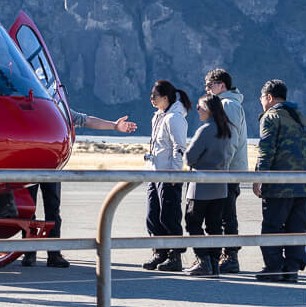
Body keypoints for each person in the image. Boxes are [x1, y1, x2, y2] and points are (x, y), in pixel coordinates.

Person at [20, 110, 138, 268]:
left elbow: (87, 120)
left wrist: (114, 126)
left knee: (53, 210)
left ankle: (53, 254)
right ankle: (29, 253)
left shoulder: (59, 108)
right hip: (29, 166)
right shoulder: (28, 106)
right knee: (29, 211)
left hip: (53, 167)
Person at [252, 79, 306, 283]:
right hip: (302, 186)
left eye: (262, 99)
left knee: (272, 225)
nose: (262, 103)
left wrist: (258, 178)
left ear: (269, 97)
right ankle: (291, 269)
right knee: (297, 228)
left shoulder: (271, 117)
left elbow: (266, 150)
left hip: (278, 186)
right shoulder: (302, 118)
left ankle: (274, 268)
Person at [142, 80, 191, 272]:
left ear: (165, 97)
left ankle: (174, 256)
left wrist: (174, 174)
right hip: (154, 174)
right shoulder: (158, 117)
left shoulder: (174, 118)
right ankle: (159, 253)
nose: (151, 99)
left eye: (155, 95)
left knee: (168, 216)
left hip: (169, 176)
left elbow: (179, 148)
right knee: (152, 216)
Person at [182, 94, 233, 277]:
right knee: (214, 226)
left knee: (193, 223)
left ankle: (203, 260)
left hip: (200, 187)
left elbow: (189, 157)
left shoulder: (205, 130)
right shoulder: (226, 130)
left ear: (209, 109)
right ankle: (214, 263)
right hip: (220, 187)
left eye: (200, 107)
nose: (197, 110)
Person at [204, 68, 248, 273]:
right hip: (227, 169)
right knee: (222, 213)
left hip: (226, 170)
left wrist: (220, 168)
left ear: (221, 85)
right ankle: (226, 255)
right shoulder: (226, 104)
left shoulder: (227, 104)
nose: (207, 89)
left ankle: (230, 256)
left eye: (209, 85)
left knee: (226, 214)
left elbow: (229, 139)